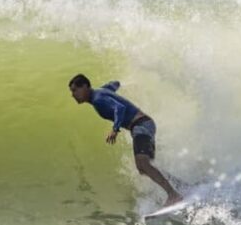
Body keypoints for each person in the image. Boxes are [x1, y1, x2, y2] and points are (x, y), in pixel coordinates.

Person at [68, 74, 183, 207]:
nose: (73, 95)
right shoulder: (101, 91)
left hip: (141, 126)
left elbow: (120, 108)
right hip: (144, 125)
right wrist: (124, 82)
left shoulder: (98, 99)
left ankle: (173, 195)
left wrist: (115, 129)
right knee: (144, 168)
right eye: (72, 91)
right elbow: (113, 84)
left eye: (75, 90)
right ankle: (179, 185)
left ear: (85, 87)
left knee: (144, 164)